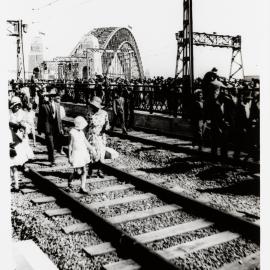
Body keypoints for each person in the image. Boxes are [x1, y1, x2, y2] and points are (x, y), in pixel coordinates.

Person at [9, 96, 34, 190]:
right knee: (15, 155)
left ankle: (23, 165)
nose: (15, 107)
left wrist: (24, 128)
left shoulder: (23, 114)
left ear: (19, 105)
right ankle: (15, 172)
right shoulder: (10, 114)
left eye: (17, 105)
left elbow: (28, 125)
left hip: (21, 136)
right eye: (13, 106)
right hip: (12, 136)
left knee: (23, 152)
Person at [68, 116, 95, 194]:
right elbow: (70, 145)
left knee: (84, 171)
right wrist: (69, 157)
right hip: (76, 154)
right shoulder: (72, 132)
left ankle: (82, 187)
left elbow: (86, 142)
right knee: (77, 172)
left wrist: (92, 149)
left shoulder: (81, 132)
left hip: (83, 153)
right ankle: (69, 182)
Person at [86, 96, 110, 178]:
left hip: (100, 136)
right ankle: (90, 170)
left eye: (93, 106)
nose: (92, 107)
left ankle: (100, 170)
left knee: (101, 153)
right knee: (91, 153)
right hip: (91, 136)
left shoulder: (104, 113)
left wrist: (107, 127)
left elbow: (107, 123)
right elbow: (86, 125)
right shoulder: (89, 113)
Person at [37, 92, 56, 166]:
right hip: (48, 127)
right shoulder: (43, 106)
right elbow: (40, 118)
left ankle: (50, 156)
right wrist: (39, 128)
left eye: (46, 96)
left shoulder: (56, 104)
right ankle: (52, 160)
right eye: (44, 96)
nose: (44, 97)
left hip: (55, 127)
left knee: (52, 143)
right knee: (51, 143)